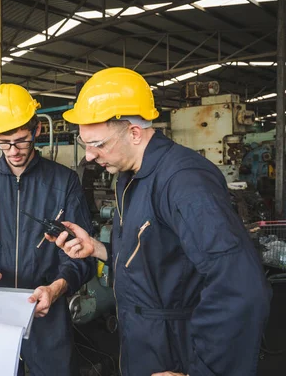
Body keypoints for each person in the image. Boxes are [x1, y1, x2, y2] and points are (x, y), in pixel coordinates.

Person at [50, 67, 272, 376]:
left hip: (177, 349)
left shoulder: (185, 182)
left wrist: (202, 371)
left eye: (98, 144)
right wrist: (99, 250)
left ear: (135, 132)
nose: (89, 156)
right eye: (85, 143)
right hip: (143, 340)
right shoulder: (129, 177)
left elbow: (240, 288)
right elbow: (160, 259)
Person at [0, 83, 96, 376]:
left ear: (37, 130)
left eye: (20, 140)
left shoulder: (64, 183)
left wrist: (57, 288)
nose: (13, 151)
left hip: (47, 314)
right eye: (3, 143)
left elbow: (84, 258)